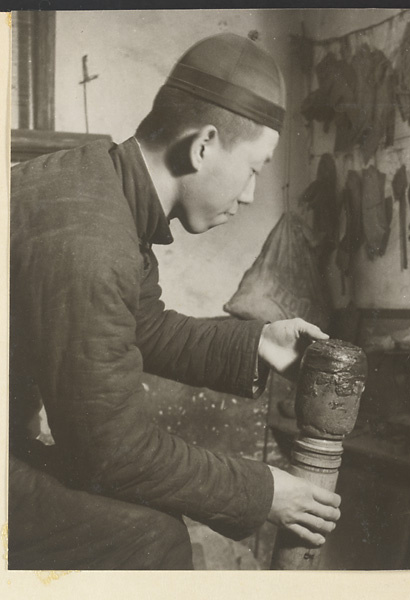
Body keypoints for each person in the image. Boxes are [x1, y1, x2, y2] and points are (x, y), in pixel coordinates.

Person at [9, 32, 341, 570]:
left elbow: (144, 326)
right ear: (203, 145)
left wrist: (263, 346)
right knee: (151, 540)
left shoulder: (103, 184)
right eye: (254, 167)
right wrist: (263, 492)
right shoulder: (93, 237)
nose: (253, 192)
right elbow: (109, 451)